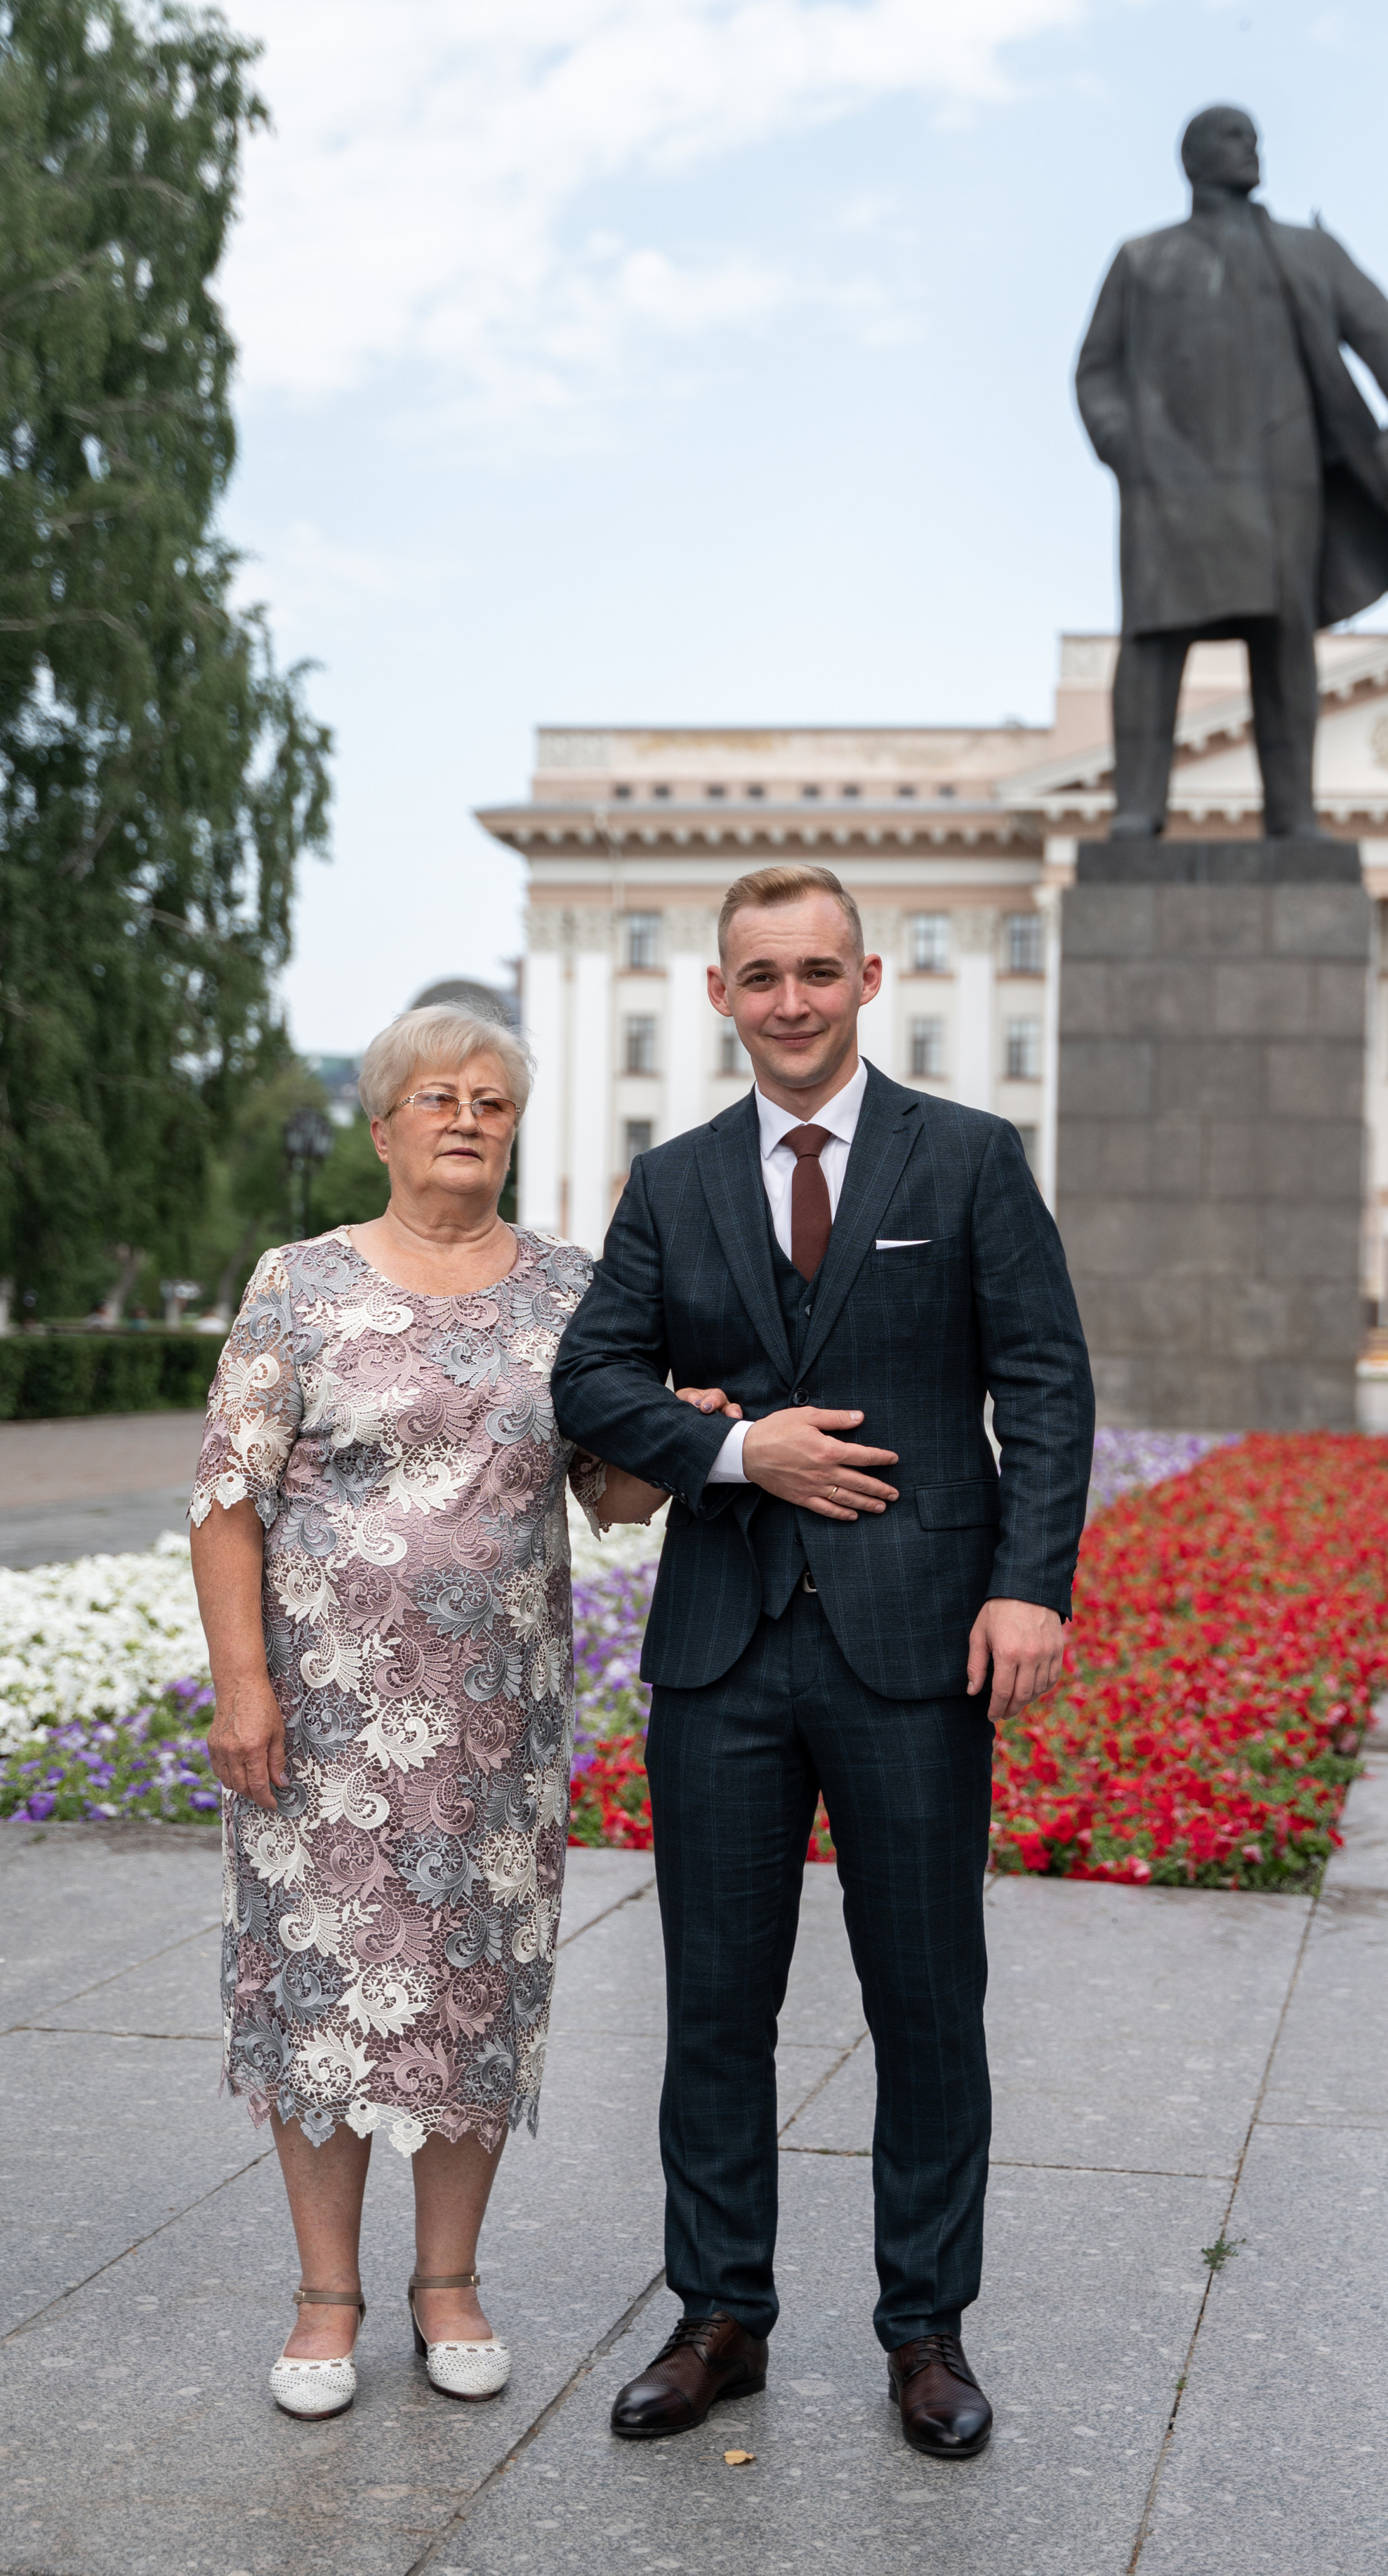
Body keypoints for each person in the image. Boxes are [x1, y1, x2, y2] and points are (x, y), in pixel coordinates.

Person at [550, 864, 1095, 2460]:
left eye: (814, 970)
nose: (788, 999)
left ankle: (923, 2330)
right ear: (718, 996)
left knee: (926, 1998)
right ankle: (717, 2313)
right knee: (716, 2004)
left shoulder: (970, 1158)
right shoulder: (673, 1178)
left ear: (865, 977)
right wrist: (734, 1455)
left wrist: (1028, 1589)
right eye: (757, 976)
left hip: (918, 1648)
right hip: (721, 1652)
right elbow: (591, 1376)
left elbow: (1043, 1387)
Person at [190, 1004, 715, 2422]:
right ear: (381, 1126)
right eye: (435, 1096)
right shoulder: (298, 1283)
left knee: (472, 1983)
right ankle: (323, 2297)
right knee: (319, 1994)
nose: (466, 1116)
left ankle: (447, 2284)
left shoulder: (568, 1287)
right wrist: (243, 1688)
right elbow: (226, 1495)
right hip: (317, 1715)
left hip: (492, 1718)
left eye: (490, 1097)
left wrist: (684, 1432)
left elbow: (606, 1490)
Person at [1076, 102, 1388, 838]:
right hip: (1169, 483)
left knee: (1284, 645)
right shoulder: (1144, 259)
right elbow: (1096, 372)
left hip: (1283, 479)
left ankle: (1292, 814)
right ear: (1193, 160)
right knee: (1152, 641)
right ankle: (1138, 809)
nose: (1251, 149)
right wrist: (1128, 449)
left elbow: (1380, 327)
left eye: (1253, 138)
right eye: (1232, 138)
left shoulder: (1304, 251)